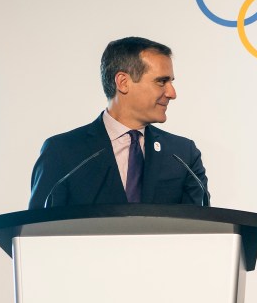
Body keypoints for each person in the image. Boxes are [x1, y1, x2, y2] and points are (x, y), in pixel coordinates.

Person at [28, 36, 209, 209]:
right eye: (161, 82)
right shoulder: (62, 152)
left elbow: (198, 230)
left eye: (171, 81)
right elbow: (36, 232)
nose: (172, 93)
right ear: (123, 82)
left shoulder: (183, 155)